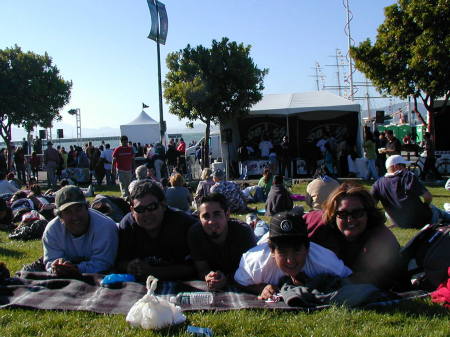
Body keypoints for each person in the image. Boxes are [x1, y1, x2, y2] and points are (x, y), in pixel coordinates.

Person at [306, 182, 405, 289]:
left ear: (368, 214)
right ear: (334, 215)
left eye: (357, 213)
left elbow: (390, 280)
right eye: (342, 214)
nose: (350, 220)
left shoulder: (381, 239)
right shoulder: (318, 225)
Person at [234, 211, 352, 300]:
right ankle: (257, 221)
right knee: (260, 230)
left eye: (296, 250)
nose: (290, 261)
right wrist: (261, 288)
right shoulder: (255, 262)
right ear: (272, 251)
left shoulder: (324, 260)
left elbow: (348, 277)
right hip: (262, 239)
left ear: (307, 248)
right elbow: (239, 281)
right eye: (283, 252)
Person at [116, 181, 197, 280]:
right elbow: (119, 262)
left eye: (151, 207)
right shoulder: (127, 226)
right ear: (132, 211)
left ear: (163, 205)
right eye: (140, 209)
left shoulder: (183, 224)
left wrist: (152, 272)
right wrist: (129, 266)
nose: (147, 214)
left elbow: (193, 267)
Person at [42, 185, 118, 276]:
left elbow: (103, 264)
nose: (75, 217)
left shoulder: (105, 227)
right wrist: (56, 267)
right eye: (67, 211)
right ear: (60, 217)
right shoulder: (52, 231)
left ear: (87, 208)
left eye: (78, 209)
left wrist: (76, 269)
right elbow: (51, 262)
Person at [188, 193, 256, 290]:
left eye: (217, 214)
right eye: (206, 216)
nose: (211, 221)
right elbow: (202, 269)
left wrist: (227, 280)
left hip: (255, 236)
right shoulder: (195, 234)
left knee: (261, 229)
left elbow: (253, 271)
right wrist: (208, 276)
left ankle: (254, 219)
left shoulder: (243, 232)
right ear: (199, 218)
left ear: (227, 214)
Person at [371, 155, 450, 228]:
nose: (406, 168)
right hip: (421, 220)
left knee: (387, 213)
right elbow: (428, 197)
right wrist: (426, 205)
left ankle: (447, 209)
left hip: (401, 223)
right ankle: (447, 211)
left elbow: (370, 205)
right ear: (395, 166)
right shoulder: (407, 176)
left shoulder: (378, 184)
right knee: (435, 210)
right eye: (404, 165)